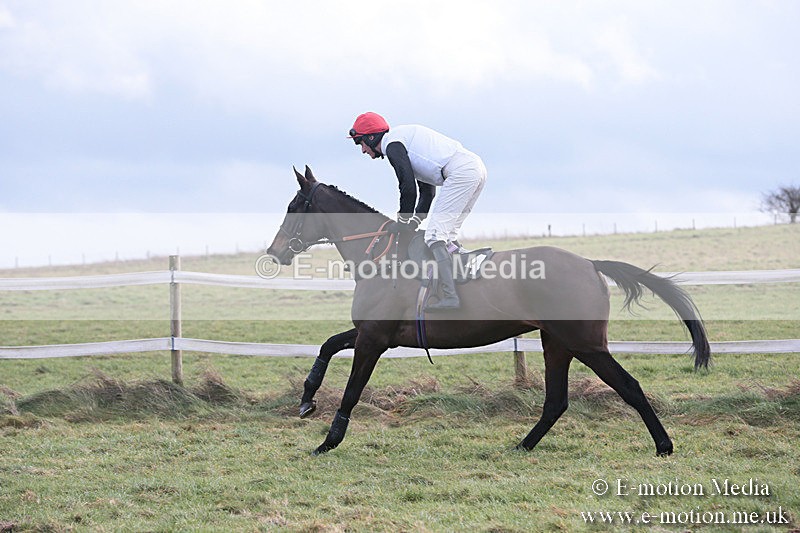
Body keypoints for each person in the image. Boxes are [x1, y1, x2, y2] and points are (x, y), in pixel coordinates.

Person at [348, 112, 487, 311]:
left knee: (434, 237)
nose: (362, 150)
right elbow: (427, 191)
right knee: (446, 237)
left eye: (360, 143)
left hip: (461, 172)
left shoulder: (392, 145)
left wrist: (402, 221)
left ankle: (450, 297)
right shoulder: (402, 141)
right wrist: (414, 221)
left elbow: (407, 187)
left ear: (371, 137)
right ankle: (464, 276)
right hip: (474, 169)